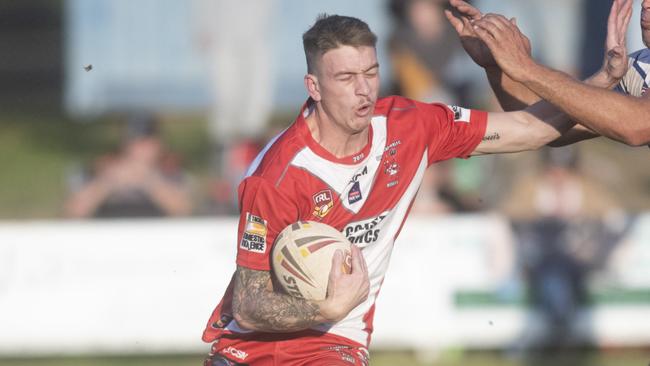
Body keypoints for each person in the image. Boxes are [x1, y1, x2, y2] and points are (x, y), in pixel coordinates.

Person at [200, 11, 627, 365]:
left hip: (333, 345)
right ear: (314, 87)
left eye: (370, 72)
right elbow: (249, 303)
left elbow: (526, 129)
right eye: (346, 77)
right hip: (248, 353)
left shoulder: (411, 125)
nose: (363, 89)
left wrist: (604, 79)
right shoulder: (277, 176)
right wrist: (325, 306)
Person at [446, 0, 650, 147]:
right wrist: (498, 67)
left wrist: (526, 67)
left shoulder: (636, 105)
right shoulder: (635, 66)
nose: (645, 4)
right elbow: (543, 123)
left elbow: (636, 125)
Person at [64, 115, 193, 218]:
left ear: (158, 143)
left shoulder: (170, 170)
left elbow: (184, 210)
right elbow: (73, 212)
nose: (139, 149)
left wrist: (149, 181)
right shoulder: (102, 168)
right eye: (134, 142)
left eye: (145, 142)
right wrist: (107, 182)